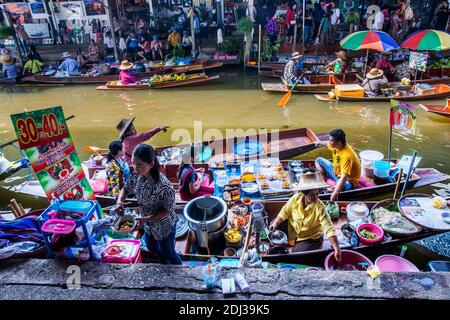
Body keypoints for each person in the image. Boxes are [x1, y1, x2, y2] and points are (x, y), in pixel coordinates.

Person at [116, 144, 181, 265]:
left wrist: (147, 219)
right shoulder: (136, 176)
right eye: (133, 163)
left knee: (169, 253)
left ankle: (181, 270)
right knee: (153, 249)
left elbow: (169, 210)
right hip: (147, 225)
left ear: (151, 164)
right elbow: (125, 188)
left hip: (163, 226)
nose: (135, 168)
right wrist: (120, 201)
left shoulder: (164, 186)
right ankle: (163, 264)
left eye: (140, 165)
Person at [268, 173, 341, 261]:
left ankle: (290, 247)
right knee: (273, 224)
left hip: (310, 237)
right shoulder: (296, 198)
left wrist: (337, 248)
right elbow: (285, 211)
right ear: (304, 193)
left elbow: (328, 227)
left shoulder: (320, 207)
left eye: (317, 193)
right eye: (312, 194)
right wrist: (276, 223)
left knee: (296, 254)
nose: (316, 197)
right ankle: (286, 242)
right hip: (294, 229)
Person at [315, 129, 361, 201]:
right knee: (318, 160)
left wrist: (335, 193)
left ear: (339, 142)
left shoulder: (347, 156)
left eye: (331, 140)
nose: (329, 142)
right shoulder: (336, 145)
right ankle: (323, 182)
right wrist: (318, 142)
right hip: (337, 171)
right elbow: (326, 143)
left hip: (348, 180)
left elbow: (343, 178)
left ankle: (333, 187)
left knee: (344, 186)